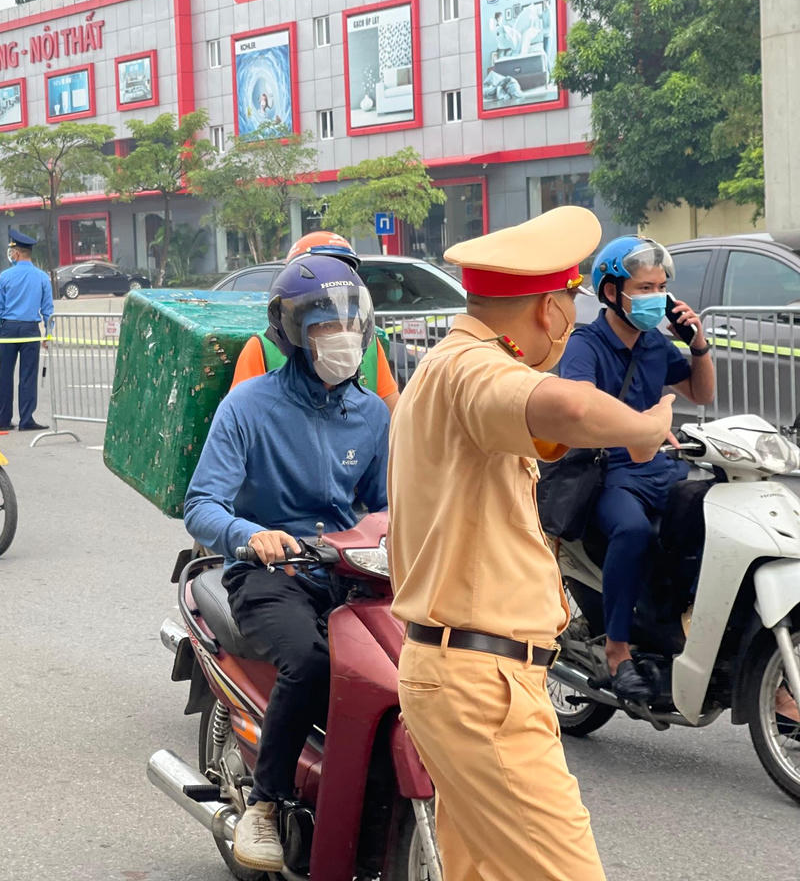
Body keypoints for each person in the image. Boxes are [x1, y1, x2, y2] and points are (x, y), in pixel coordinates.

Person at [388, 206, 675, 880]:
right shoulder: (472, 369)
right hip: (482, 685)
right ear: (547, 309)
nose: (571, 323)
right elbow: (569, 408)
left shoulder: (443, 368)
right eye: (569, 305)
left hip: (464, 677)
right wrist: (641, 427)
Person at [184, 255, 389, 873]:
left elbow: (383, 507)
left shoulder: (374, 413)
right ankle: (267, 804)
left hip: (348, 572)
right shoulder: (248, 407)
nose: (343, 339)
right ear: (295, 333)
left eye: (351, 326)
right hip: (270, 575)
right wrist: (252, 535)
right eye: (327, 327)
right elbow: (202, 504)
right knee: (311, 660)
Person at [559, 236, 715, 702]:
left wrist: (699, 344)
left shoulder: (653, 342)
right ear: (611, 292)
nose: (657, 298)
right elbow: (578, 409)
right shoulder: (585, 344)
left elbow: (700, 393)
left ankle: (671, 623)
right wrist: (637, 426)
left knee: (707, 515)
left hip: (658, 469)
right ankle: (617, 649)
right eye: (645, 288)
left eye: (662, 288)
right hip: (608, 471)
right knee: (633, 531)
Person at [231, 231, 400, 412]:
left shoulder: (368, 343)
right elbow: (244, 416)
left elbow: (394, 416)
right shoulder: (262, 348)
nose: (335, 281)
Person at [0, 228, 54, 431]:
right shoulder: (42, 277)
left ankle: (3, 420)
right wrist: (49, 334)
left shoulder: (5, 276)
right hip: (30, 330)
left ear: (16, 253)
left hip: (8, 329)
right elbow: (48, 309)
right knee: (28, 376)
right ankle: (26, 420)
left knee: (5, 375)